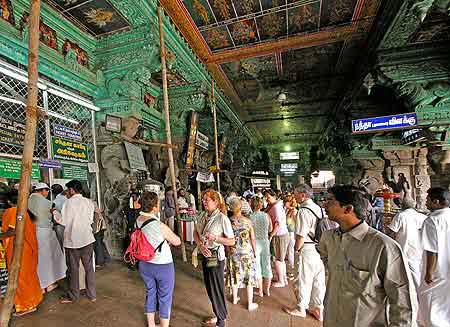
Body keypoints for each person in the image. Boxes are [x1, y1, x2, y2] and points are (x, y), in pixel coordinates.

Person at [320, 185, 414, 326]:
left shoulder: (383, 247)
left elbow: (402, 299)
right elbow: (326, 259)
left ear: (348, 209)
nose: (324, 204)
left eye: (330, 201)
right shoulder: (329, 238)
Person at [136, 192, 181, 327]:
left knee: (151, 292)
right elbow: (177, 241)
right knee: (165, 296)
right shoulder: (159, 225)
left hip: (144, 264)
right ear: (155, 207)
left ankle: (151, 324)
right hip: (163, 265)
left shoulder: (138, 220)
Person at [194, 189, 235, 327]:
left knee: (216, 287)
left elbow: (232, 241)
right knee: (209, 286)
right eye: (203, 200)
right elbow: (195, 232)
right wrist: (200, 245)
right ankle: (218, 314)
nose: (204, 202)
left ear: (216, 202)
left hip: (215, 257)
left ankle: (221, 320)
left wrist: (216, 238)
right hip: (206, 254)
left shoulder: (222, 218)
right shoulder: (203, 215)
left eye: (207, 200)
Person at [284, 184, 325, 320]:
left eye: (295, 193)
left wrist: (296, 250)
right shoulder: (318, 208)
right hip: (318, 248)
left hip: (306, 248)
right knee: (318, 280)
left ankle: (301, 308)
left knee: (302, 279)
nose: (294, 196)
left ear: (303, 194)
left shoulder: (303, 211)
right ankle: (318, 308)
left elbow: (301, 235)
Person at [1, 190, 43, 316]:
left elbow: (12, 231)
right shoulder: (22, 211)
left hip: (19, 250)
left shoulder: (13, 211)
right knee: (27, 276)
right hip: (26, 250)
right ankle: (32, 300)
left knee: (21, 278)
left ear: (8, 201)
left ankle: (26, 305)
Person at [59, 180, 96, 303]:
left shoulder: (68, 203)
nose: (67, 193)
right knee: (89, 268)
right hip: (87, 239)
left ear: (72, 190)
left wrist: (54, 213)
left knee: (73, 269)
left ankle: (74, 296)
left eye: (68, 190)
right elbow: (90, 220)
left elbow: (63, 221)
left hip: (72, 241)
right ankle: (92, 295)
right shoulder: (88, 202)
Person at [419, 187, 450, 327]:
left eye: (428, 200)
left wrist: (429, 272)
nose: (426, 203)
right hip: (447, 267)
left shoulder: (432, 220)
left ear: (436, 201)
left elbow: (432, 250)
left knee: (431, 304)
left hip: (438, 270)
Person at [28, 182, 66, 292]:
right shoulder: (47, 203)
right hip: (45, 233)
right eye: (47, 190)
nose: (48, 192)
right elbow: (54, 217)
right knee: (48, 258)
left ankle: (39, 285)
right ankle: (48, 284)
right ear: (41, 190)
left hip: (31, 232)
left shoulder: (26, 201)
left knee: (36, 259)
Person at [387, 197, 426, 292]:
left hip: (405, 249)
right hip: (420, 249)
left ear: (402, 206)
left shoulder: (401, 216)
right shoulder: (423, 217)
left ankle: (417, 296)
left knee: (410, 276)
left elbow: (391, 232)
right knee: (418, 272)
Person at [228, 198, 258, 311]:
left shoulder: (228, 221)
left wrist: (227, 251)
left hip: (234, 252)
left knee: (235, 274)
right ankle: (250, 303)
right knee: (248, 276)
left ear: (231, 208)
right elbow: (253, 238)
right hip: (246, 252)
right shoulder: (248, 221)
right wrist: (255, 252)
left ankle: (235, 298)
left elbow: (227, 238)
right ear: (241, 207)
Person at [265, 189, 289, 287]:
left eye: (268, 197)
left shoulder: (276, 207)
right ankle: (284, 279)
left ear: (274, 197)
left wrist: (271, 235)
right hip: (281, 234)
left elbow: (278, 223)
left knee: (277, 259)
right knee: (281, 259)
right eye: (265, 197)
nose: (267, 199)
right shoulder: (276, 206)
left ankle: (281, 281)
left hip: (279, 235)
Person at [249, 196, 273, 297]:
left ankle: (260, 291)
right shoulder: (266, 215)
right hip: (265, 242)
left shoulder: (250, 217)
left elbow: (249, 233)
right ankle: (267, 290)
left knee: (257, 266)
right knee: (267, 266)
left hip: (255, 243)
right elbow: (270, 229)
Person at [92, 201, 111, 269]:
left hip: (97, 228)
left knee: (98, 244)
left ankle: (100, 261)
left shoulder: (89, 203)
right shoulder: (93, 202)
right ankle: (106, 258)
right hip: (101, 227)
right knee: (100, 243)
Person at [283, 194, 297, 277]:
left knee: (291, 252)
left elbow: (296, 224)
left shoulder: (294, 211)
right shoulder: (287, 210)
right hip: (288, 233)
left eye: (286, 202)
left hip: (292, 233)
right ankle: (291, 270)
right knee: (289, 252)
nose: (284, 203)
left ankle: (293, 270)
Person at [51, 184, 66, 250]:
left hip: (60, 225)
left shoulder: (55, 202)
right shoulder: (68, 199)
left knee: (62, 246)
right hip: (70, 225)